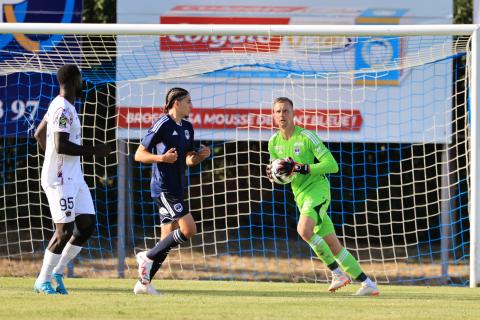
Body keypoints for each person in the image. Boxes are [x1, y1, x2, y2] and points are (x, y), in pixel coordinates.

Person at [266, 97, 379, 296]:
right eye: (278, 112)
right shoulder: (273, 142)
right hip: (300, 196)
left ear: (293, 114)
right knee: (333, 245)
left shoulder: (307, 137)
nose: (282, 115)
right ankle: (367, 283)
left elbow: (332, 165)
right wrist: (275, 176)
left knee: (303, 229)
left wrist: (301, 167)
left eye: (286, 111)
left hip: (318, 190)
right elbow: (282, 173)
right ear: (273, 116)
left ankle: (337, 273)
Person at [33, 64, 111, 294]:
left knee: (86, 225)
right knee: (63, 231)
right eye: (81, 78)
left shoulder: (62, 105)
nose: (82, 82)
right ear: (75, 80)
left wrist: (53, 159)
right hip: (60, 180)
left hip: (73, 176)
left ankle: (57, 271)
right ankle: (42, 280)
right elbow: (61, 145)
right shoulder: (63, 109)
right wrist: (93, 150)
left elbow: (39, 134)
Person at [133, 87, 210, 295]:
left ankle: (143, 283)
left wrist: (201, 156)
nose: (191, 105)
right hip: (163, 188)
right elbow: (139, 154)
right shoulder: (162, 124)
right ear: (176, 103)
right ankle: (146, 256)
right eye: (188, 101)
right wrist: (162, 159)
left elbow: (188, 160)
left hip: (177, 187)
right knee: (189, 230)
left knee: (165, 241)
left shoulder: (187, 127)